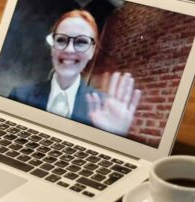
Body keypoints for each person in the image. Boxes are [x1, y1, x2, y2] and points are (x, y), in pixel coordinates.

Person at [8, 10, 142, 137]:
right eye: (61, 40)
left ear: (91, 51)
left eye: (81, 42)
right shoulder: (19, 96)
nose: (70, 50)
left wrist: (114, 137)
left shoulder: (104, 108)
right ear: (52, 47)